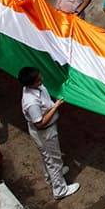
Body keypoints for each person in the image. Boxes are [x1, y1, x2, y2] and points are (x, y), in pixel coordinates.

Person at [18, 66, 80, 200]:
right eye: (38, 80)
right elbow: (39, 124)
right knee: (53, 159)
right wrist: (56, 106)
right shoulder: (31, 102)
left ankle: (51, 177)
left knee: (47, 157)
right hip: (44, 132)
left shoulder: (35, 89)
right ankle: (60, 189)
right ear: (31, 84)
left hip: (48, 130)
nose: (41, 80)